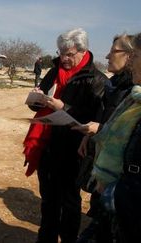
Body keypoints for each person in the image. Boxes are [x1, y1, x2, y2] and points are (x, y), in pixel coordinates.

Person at [23, 28, 107, 243]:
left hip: (73, 148)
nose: (64, 58)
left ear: (83, 51)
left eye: (69, 54)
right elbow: (38, 104)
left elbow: (95, 117)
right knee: (48, 199)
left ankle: (69, 239)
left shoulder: (95, 79)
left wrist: (64, 107)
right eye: (61, 53)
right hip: (46, 143)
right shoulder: (53, 71)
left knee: (69, 201)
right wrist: (36, 99)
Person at [74, 33, 134, 243]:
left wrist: (100, 128)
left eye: (114, 51)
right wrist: (90, 137)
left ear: (130, 55)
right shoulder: (114, 85)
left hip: (120, 180)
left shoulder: (133, 92)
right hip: (102, 169)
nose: (107, 55)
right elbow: (104, 115)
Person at [91, 32, 141, 243]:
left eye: (136, 56)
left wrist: (115, 190)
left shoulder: (132, 95)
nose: (107, 56)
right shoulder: (133, 97)